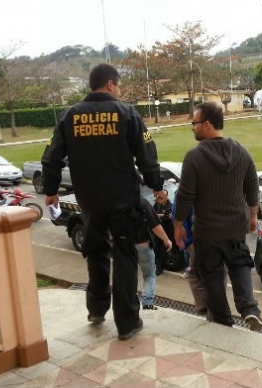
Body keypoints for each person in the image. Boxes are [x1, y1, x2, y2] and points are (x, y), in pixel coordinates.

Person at [41, 63, 166, 341]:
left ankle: (96, 310)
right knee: (124, 256)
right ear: (110, 84)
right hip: (124, 202)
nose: (120, 91)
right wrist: (157, 187)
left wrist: (50, 190)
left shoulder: (70, 116)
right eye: (119, 85)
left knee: (96, 254)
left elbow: (51, 157)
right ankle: (127, 322)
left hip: (90, 203)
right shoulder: (127, 113)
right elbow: (147, 155)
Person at [173, 101, 262, 331]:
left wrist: (177, 225)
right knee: (240, 263)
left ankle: (223, 321)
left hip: (207, 231)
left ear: (206, 124)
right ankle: (250, 310)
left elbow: (185, 196)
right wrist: (253, 216)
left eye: (194, 123)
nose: (192, 127)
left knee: (212, 276)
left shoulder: (194, 157)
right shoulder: (242, 151)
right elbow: (252, 187)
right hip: (236, 226)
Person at [137, 197, 173, 310]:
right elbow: (155, 225)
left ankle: (129, 302)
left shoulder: (116, 200)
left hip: (123, 246)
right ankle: (147, 302)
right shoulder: (142, 202)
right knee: (149, 274)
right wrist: (166, 240)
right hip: (142, 243)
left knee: (128, 274)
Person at [153, 189, 174, 275]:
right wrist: (161, 215)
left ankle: (160, 268)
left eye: (164, 195)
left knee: (163, 251)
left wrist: (159, 215)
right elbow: (152, 214)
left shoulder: (170, 205)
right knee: (155, 248)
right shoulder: (157, 204)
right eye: (160, 196)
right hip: (157, 231)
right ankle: (154, 265)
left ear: (167, 196)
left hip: (167, 232)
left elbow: (167, 216)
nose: (161, 197)